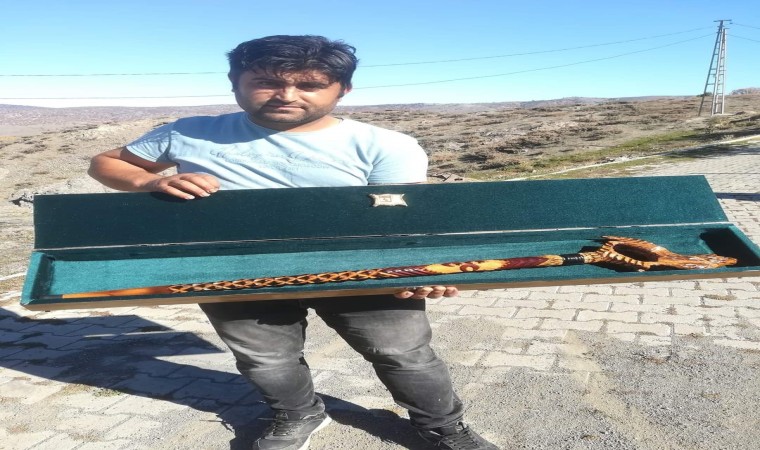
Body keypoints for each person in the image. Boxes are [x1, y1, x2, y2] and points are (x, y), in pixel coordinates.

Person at [88, 35, 498, 450]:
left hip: (363, 270)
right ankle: (299, 414)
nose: (286, 95)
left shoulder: (387, 145)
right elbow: (106, 162)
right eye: (266, 81)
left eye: (309, 85)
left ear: (343, 89)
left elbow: (405, 221)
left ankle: (443, 427)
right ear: (235, 83)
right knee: (265, 359)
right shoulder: (187, 133)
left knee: (402, 353)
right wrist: (149, 181)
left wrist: (426, 268)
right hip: (232, 269)